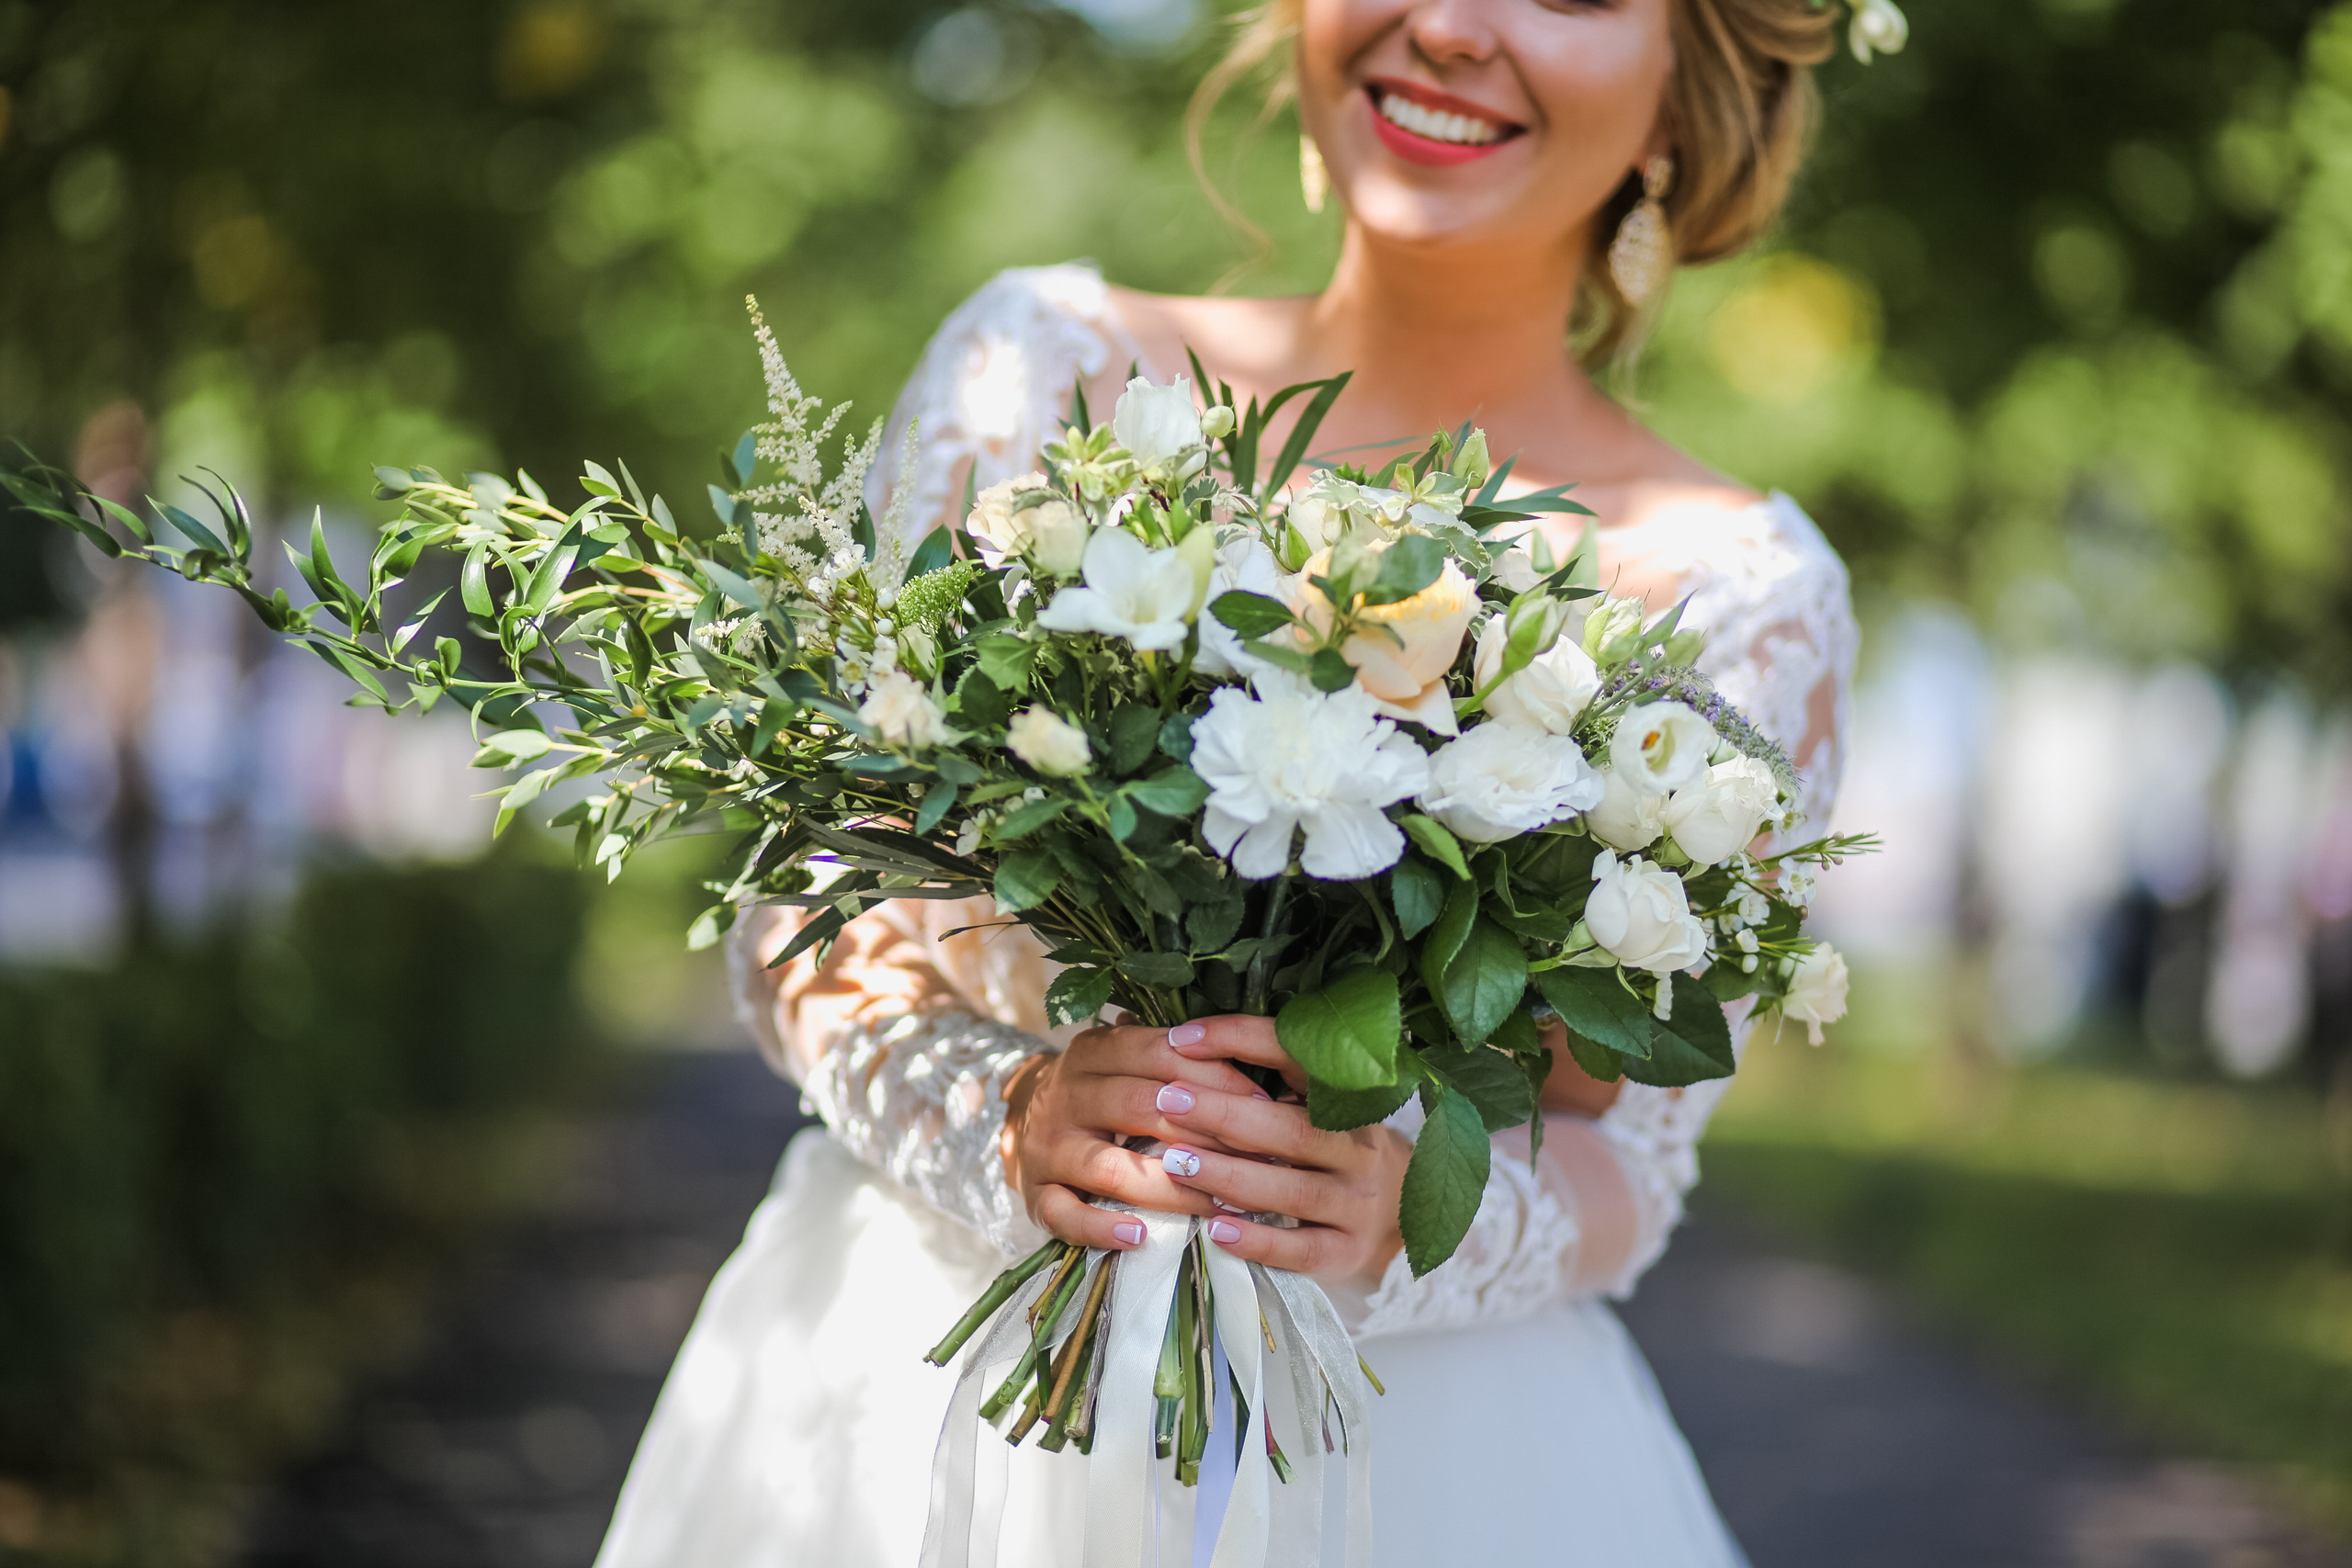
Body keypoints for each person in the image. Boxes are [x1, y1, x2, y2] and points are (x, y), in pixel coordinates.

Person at [594, 0, 1862, 1562]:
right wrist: (997, 1120)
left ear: (1691, 102)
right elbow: (812, 915)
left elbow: (1628, 1160)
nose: (1449, 26)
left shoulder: (1731, 592)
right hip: (903, 1403)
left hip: (1424, 1466)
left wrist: (1405, 1216)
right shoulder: (1037, 375)